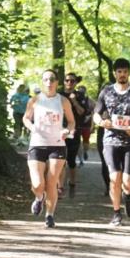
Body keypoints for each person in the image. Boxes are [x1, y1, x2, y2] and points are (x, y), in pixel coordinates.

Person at [93, 58, 130, 226]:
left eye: (125, 71)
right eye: (119, 72)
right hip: (110, 140)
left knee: (128, 182)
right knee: (114, 177)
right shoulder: (106, 92)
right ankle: (116, 213)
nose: (122, 74)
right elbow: (96, 113)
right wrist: (101, 122)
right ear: (114, 73)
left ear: (129, 73)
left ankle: (128, 195)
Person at [23, 69, 76, 228]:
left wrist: (67, 130)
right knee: (38, 184)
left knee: (51, 181)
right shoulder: (35, 100)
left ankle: (50, 215)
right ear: (42, 82)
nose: (49, 82)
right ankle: (39, 198)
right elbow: (26, 118)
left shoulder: (63, 101)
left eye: (52, 79)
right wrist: (32, 127)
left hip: (57, 144)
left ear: (57, 82)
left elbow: (72, 122)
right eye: (46, 79)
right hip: (37, 143)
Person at [60, 73, 87, 197]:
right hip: (59, 130)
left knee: (71, 159)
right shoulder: (58, 95)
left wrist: (74, 101)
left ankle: (72, 183)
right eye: (67, 80)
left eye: (72, 81)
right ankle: (60, 186)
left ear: (76, 82)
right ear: (64, 82)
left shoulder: (80, 96)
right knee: (59, 158)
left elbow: (82, 112)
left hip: (74, 131)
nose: (69, 83)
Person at [76, 84, 93, 166]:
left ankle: (85, 152)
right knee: (78, 142)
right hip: (78, 125)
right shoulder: (74, 99)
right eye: (79, 89)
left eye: (83, 90)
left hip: (86, 125)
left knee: (86, 141)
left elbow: (95, 112)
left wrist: (92, 125)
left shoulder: (89, 100)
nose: (81, 91)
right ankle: (81, 159)